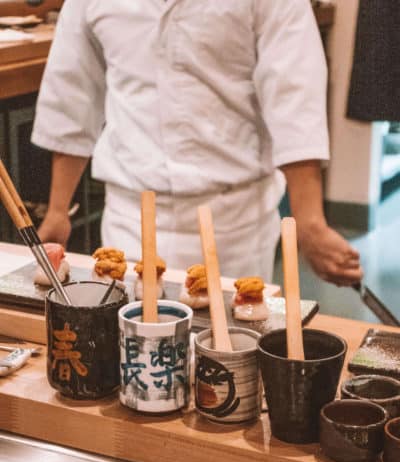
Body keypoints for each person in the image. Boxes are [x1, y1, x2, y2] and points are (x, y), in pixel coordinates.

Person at [32, 0, 362, 286]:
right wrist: (58, 210)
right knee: (134, 346)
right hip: (131, 215)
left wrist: (310, 221)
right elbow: (73, 92)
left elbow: (294, 94)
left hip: (234, 219)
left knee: (232, 348)